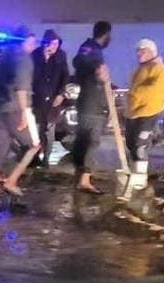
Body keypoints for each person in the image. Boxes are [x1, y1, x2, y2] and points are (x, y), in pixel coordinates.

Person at [0, 26, 41, 211]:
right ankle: (11, 180)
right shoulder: (23, 58)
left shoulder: (1, 58)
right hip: (16, 109)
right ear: (24, 41)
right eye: (32, 42)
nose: (34, 46)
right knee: (34, 145)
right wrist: (24, 112)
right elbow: (21, 88)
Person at [72, 21, 112, 194]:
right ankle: (85, 180)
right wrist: (100, 72)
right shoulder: (95, 51)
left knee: (82, 140)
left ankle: (79, 175)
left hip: (84, 102)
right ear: (106, 34)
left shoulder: (85, 48)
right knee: (92, 141)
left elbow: (77, 61)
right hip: (93, 104)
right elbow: (98, 72)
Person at [126, 39, 164, 188]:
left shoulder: (159, 69)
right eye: (137, 50)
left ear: (151, 52)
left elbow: (153, 90)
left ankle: (140, 179)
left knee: (140, 144)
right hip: (134, 112)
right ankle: (133, 172)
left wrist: (133, 93)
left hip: (149, 111)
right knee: (131, 143)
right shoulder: (140, 69)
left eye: (142, 50)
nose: (138, 53)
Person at [31, 29, 70, 168]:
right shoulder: (36, 55)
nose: (54, 47)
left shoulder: (60, 57)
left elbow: (65, 76)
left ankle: (45, 159)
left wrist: (61, 93)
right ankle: (33, 158)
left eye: (56, 44)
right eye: (52, 44)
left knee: (49, 130)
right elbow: (32, 75)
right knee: (35, 130)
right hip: (37, 99)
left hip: (53, 100)